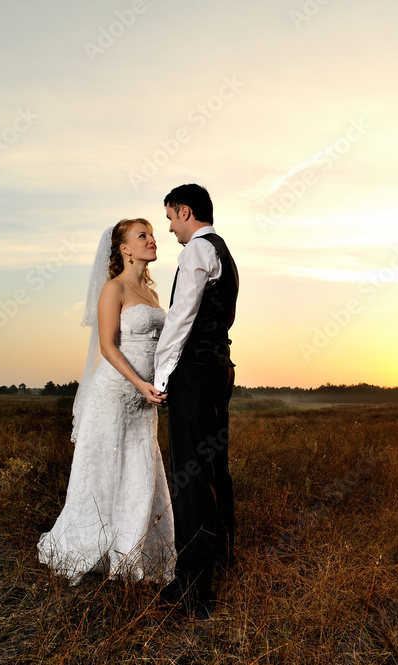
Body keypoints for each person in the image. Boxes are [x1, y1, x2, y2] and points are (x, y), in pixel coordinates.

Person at [37, 219, 175, 584]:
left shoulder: (153, 296)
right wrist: (140, 384)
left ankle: (131, 558)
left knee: (140, 474)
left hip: (144, 403)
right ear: (124, 249)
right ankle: (87, 548)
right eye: (142, 236)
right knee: (104, 473)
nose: (152, 240)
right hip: (115, 396)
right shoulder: (113, 289)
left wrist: (159, 382)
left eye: (152, 234)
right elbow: (108, 346)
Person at [154, 184, 239, 619]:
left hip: (194, 371)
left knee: (188, 478)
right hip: (220, 367)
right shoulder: (223, 251)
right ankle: (222, 561)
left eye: (170, 217)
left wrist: (161, 373)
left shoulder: (196, 251)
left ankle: (194, 591)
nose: (169, 228)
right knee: (213, 470)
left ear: (185, 211)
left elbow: (181, 315)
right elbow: (222, 316)